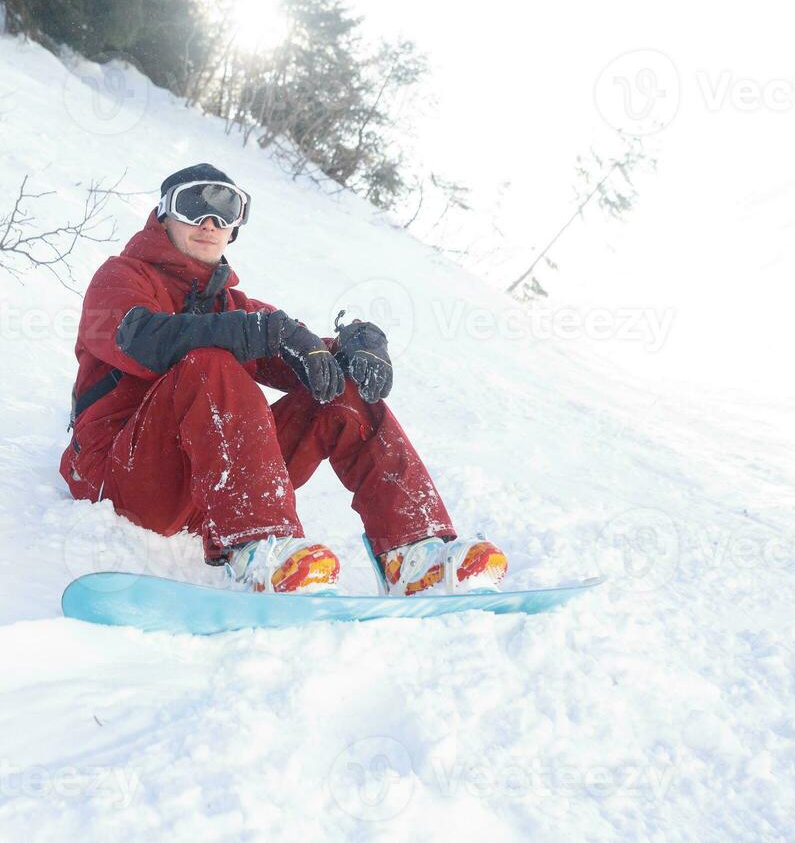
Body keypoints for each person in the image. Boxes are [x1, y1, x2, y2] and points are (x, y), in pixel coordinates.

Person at [59, 163, 507, 595]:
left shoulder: (232, 306)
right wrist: (251, 332)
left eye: (227, 212)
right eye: (194, 205)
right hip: (122, 482)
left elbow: (294, 351)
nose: (210, 222)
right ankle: (260, 548)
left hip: (210, 493)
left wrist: (352, 348)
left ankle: (414, 552)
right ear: (163, 214)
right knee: (208, 361)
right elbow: (140, 340)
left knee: (336, 386)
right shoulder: (120, 278)